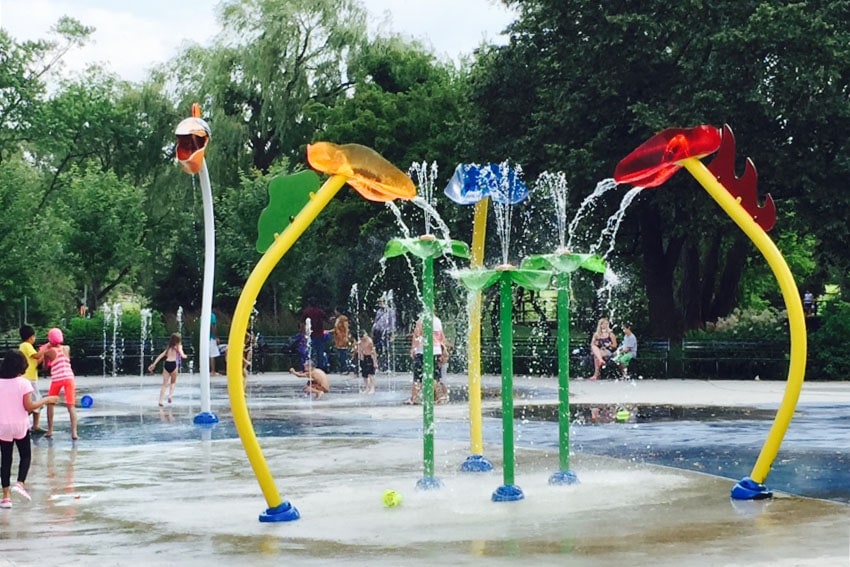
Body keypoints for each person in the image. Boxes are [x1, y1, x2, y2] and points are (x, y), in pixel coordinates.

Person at [0, 351, 60, 508]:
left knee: (6, 460)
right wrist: (46, 399)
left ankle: (6, 497)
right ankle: (20, 483)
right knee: (25, 455)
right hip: (20, 425)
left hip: (2, 426)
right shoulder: (24, 383)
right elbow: (29, 407)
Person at [43, 327, 78, 440]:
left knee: (50, 403)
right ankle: (74, 433)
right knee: (71, 405)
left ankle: (50, 430)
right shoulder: (66, 348)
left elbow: (44, 367)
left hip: (57, 378)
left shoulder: (48, 352)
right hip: (69, 377)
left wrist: (46, 349)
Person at [405, 314, 447, 405]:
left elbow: (417, 335)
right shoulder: (437, 321)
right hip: (436, 351)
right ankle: (436, 397)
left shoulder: (421, 320)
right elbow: (441, 337)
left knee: (418, 377)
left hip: (423, 351)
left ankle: (414, 398)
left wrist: (413, 348)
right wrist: (443, 350)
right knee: (435, 376)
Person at [18, 325, 46, 433]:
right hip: (29, 379)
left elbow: (36, 362)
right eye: (34, 336)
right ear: (30, 337)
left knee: (33, 402)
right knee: (36, 402)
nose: (35, 339)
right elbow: (37, 356)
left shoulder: (24, 346)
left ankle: (34, 425)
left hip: (29, 377)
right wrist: (46, 348)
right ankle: (32, 425)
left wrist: (43, 355)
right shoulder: (26, 345)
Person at [148, 333, 188, 406]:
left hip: (167, 364)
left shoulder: (168, 348)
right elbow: (182, 355)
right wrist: (185, 356)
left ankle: (160, 400)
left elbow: (160, 356)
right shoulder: (179, 347)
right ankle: (170, 396)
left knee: (164, 384)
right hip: (174, 365)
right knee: (173, 382)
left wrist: (154, 364)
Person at [301, 301, 330, 370]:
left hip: (311, 335)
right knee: (320, 351)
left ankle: (311, 367)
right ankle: (320, 367)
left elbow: (302, 322)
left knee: (311, 351)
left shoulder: (306, 312)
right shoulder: (320, 311)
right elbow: (326, 319)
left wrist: (303, 333)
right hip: (319, 334)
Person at [372, 296, 397, 372]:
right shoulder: (379, 311)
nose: (380, 303)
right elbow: (376, 321)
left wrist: (392, 333)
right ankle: (377, 366)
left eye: (381, 302)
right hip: (377, 332)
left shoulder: (390, 311)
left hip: (386, 332)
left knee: (386, 349)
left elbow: (392, 323)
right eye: (379, 302)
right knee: (377, 349)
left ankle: (387, 367)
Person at [332, 308, 352, 374]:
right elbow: (336, 328)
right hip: (338, 339)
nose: (335, 312)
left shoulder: (344, 318)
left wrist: (346, 337)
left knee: (343, 353)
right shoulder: (337, 319)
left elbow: (346, 328)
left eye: (335, 311)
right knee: (340, 354)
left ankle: (345, 368)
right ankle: (342, 368)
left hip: (343, 338)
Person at [209, 311, 221, 376]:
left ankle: (207, 370)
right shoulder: (212, 316)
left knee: (207, 355)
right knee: (212, 355)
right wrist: (215, 337)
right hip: (211, 338)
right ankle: (213, 371)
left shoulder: (202, 316)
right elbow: (213, 326)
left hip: (205, 338)